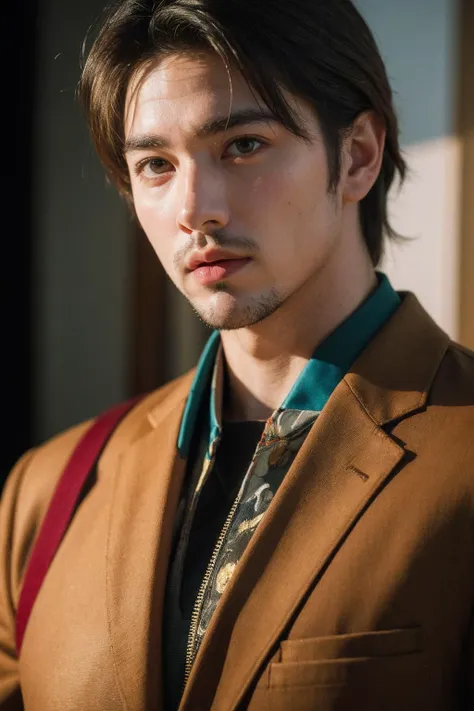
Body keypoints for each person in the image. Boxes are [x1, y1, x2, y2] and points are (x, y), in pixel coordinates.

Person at [1, 0, 473, 708]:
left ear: (357, 156)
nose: (196, 207)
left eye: (243, 145)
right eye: (156, 164)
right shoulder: (49, 491)